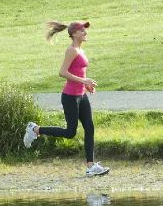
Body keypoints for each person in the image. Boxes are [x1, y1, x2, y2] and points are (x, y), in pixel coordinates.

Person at [23, 20, 110, 176]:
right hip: (70, 97)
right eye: (82, 30)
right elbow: (62, 72)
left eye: (85, 30)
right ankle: (35, 129)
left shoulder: (80, 50)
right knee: (70, 132)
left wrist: (86, 85)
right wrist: (84, 81)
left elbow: (78, 72)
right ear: (74, 33)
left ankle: (91, 166)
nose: (85, 33)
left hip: (81, 95)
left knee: (89, 127)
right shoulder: (72, 50)